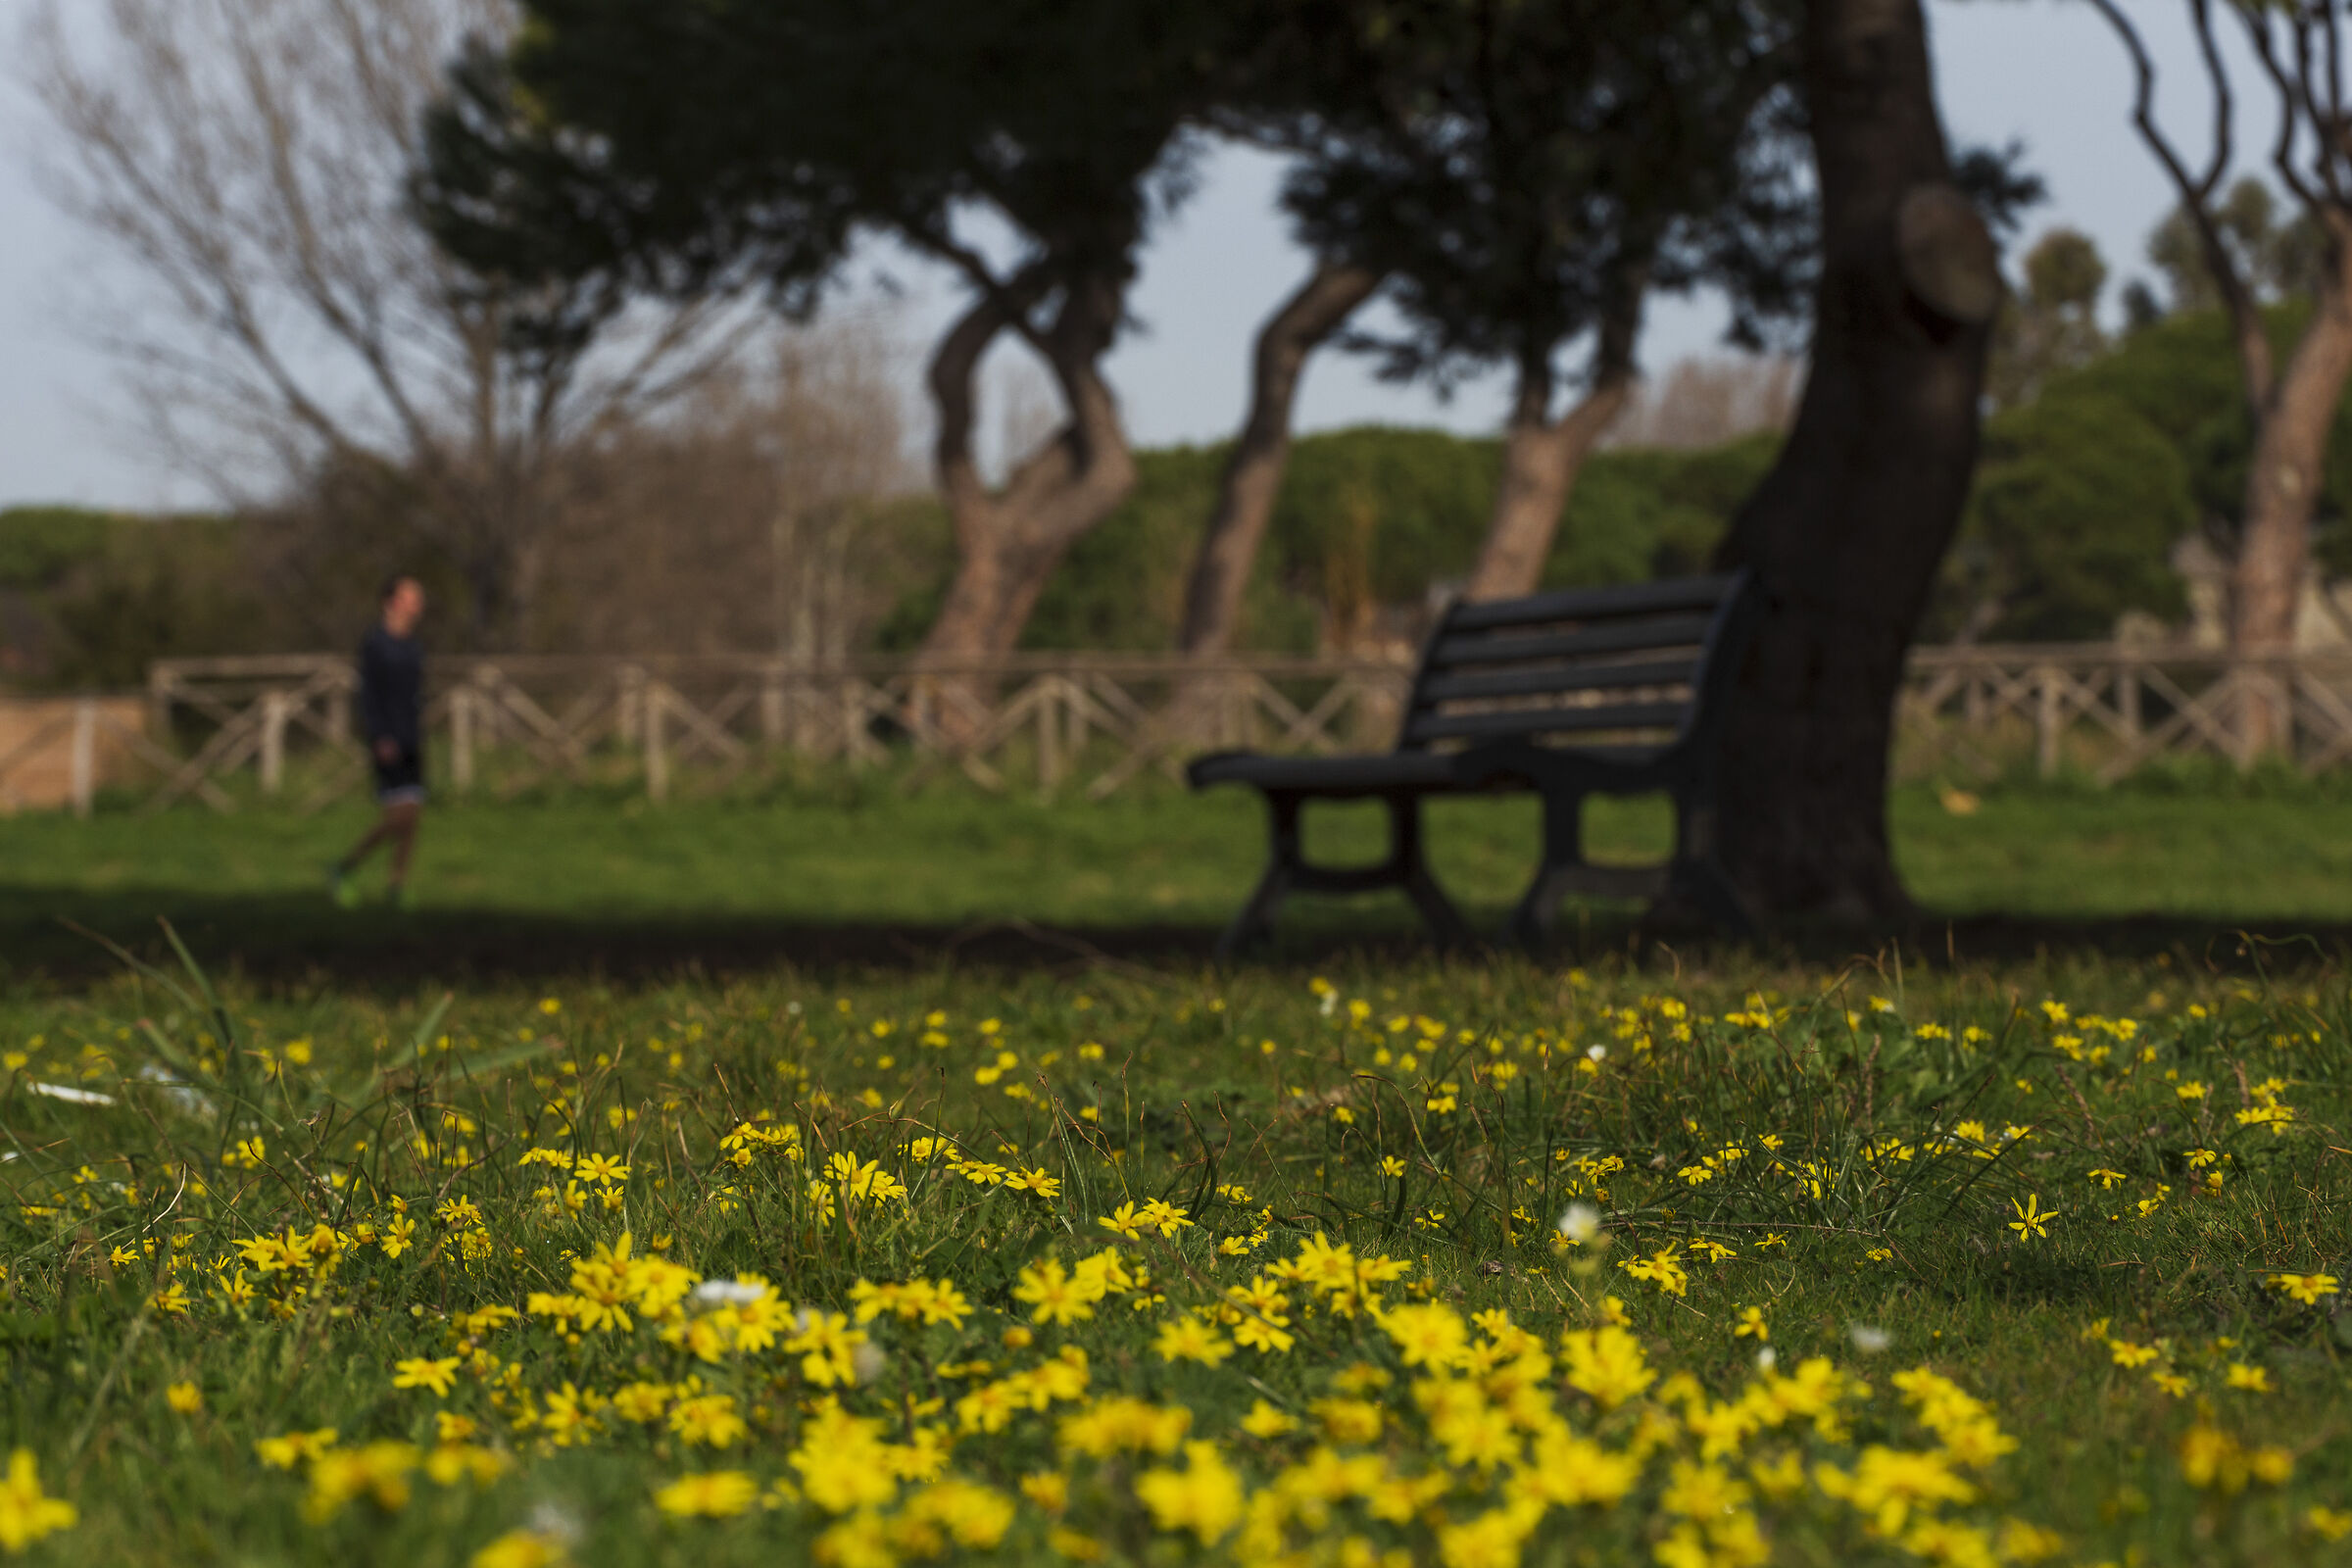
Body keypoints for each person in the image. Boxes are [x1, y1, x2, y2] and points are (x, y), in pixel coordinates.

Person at [330, 575, 428, 908]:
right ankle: (345, 868)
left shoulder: (413, 645)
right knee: (398, 817)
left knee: (412, 817)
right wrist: (379, 735)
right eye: (412, 597)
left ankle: (396, 886)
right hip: (387, 739)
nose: (419, 603)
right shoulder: (376, 643)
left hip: (412, 738)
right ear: (392, 601)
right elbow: (368, 695)